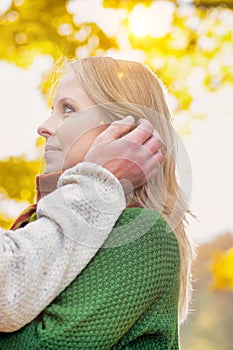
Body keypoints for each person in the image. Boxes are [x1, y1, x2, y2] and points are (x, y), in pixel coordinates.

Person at [0, 56, 195, 349]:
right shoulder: (39, 227)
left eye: (68, 110)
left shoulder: (140, 235)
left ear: (129, 133)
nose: (43, 127)